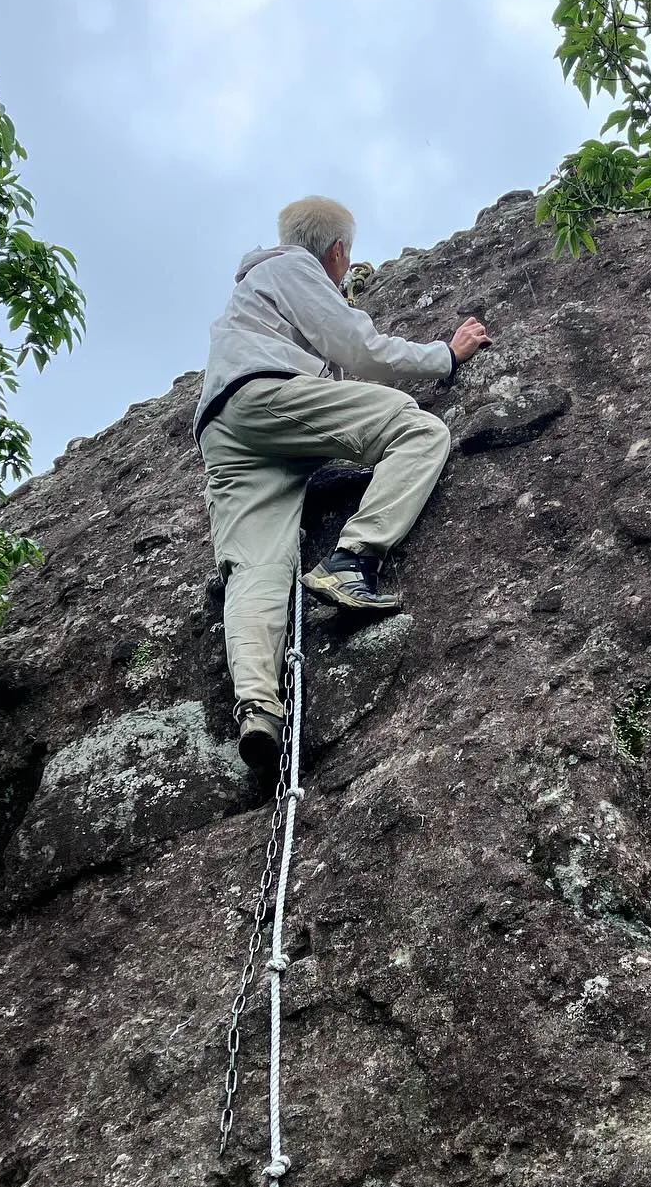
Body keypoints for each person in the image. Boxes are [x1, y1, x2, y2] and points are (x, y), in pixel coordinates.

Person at [195, 195, 490, 772]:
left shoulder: (252, 292)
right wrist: (445, 357)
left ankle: (258, 706)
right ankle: (352, 558)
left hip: (227, 432)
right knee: (418, 429)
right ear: (337, 251)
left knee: (256, 567)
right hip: (266, 398)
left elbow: (324, 364)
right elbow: (358, 349)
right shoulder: (295, 268)